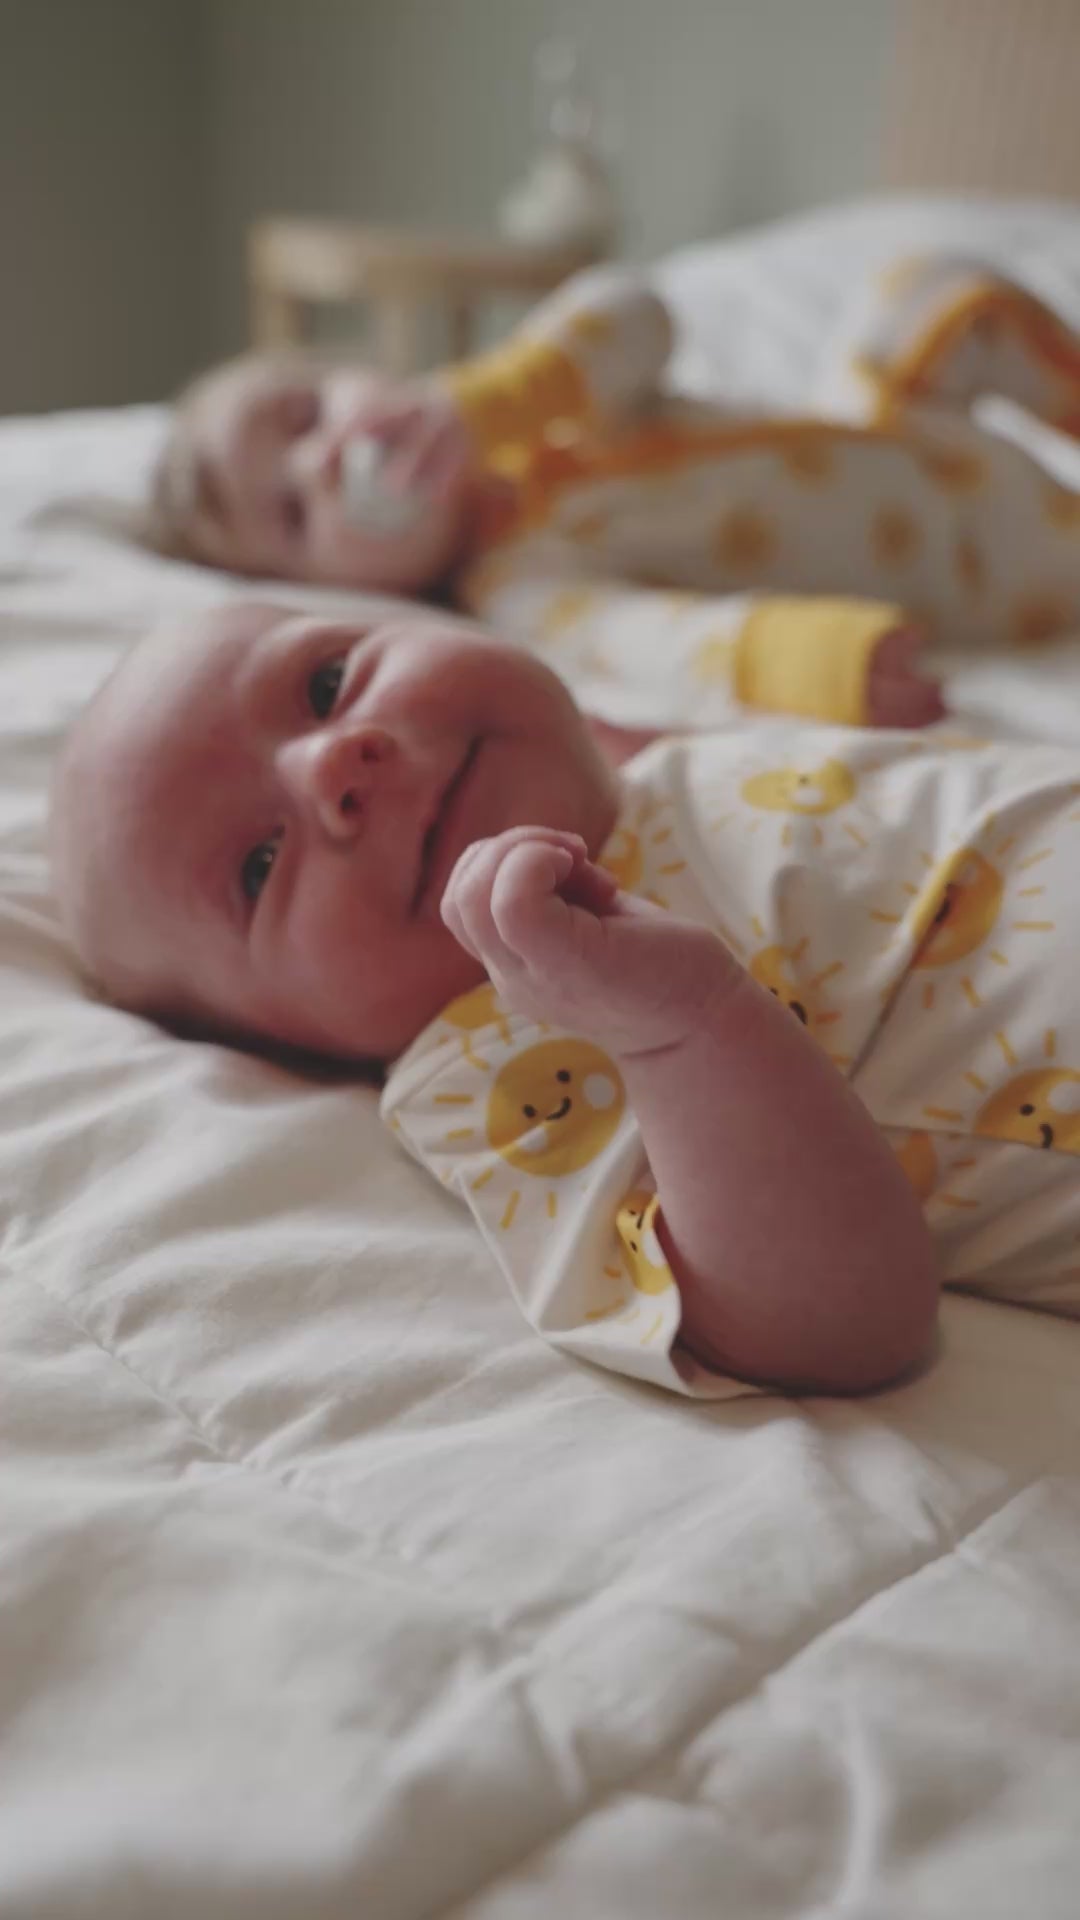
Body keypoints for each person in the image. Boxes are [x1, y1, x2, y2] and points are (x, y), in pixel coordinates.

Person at [50, 599, 1080, 1402]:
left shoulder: (657, 764)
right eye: (261, 866)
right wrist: (683, 1029)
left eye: (327, 682)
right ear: (294, 1044)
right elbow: (841, 1322)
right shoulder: (490, 1059)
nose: (331, 763)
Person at [150, 252, 1080, 735]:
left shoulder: (540, 396)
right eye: (294, 515)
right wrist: (813, 662)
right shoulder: (519, 584)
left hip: (888, 420)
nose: (321, 460)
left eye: (308, 411)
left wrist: (489, 400)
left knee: (932, 294)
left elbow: (637, 313)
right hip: (966, 558)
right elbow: (656, 643)